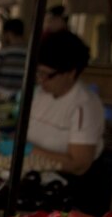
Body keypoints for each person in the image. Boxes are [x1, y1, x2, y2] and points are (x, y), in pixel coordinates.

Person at [27, 29, 105, 176]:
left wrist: (28, 150)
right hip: (36, 172)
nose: (41, 80)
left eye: (48, 75)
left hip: (66, 183)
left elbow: (78, 164)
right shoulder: (40, 94)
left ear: (71, 73)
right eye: (39, 73)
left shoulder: (84, 105)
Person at [0, 17, 28, 100]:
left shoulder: (2, 53)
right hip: (21, 99)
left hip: (1, 99)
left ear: (8, 33)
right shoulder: (29, 54)